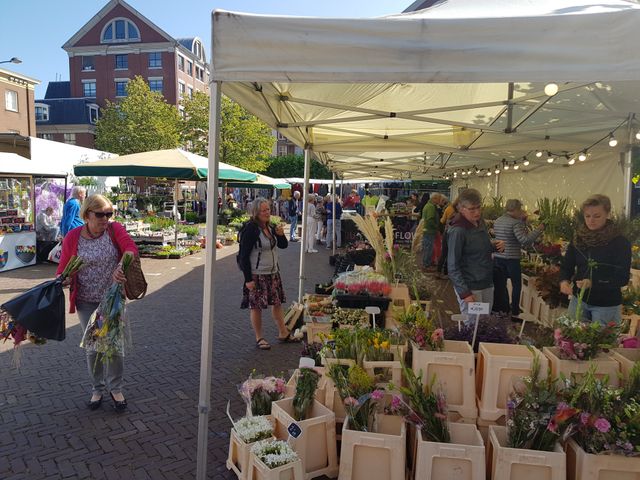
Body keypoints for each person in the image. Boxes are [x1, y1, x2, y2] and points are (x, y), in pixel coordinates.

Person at [57, 194, 138, 412]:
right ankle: (97, 389)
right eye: (100, 214)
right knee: (93, 346)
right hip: (86, 301)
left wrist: (123, 264)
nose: (105, 219)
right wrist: (63, 278)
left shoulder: (114, 230)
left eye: (109, 214)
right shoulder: (73, 237)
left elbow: (130, 248)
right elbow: (63, 268)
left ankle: (116, 388)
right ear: (86, 215)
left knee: (113, 344)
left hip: (112, 300)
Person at [559, 194, 631, 324]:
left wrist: (594, 283)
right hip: (579, 301)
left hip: (606, 305)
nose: (591, 220)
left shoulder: (619, 242)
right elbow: (567, 265)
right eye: (587, 216)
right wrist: (563, 281)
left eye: (597, 216)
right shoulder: (578, 239)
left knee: (603, 343)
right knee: (573, 340)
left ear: (607, 214)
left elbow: (622, 277)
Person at [239, 198, 296, 350]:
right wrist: (248, 279)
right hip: (257, 274)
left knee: (277, 304)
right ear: (256, 212)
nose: (267, 213)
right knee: (256, 307)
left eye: (268, 210)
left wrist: (281, 234)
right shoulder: (251, 229)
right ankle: (259, 338)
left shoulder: (270, 226)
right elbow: (243, 255)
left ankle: (283, 332)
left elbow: (283, 246)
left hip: (273, 272)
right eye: (263, 210)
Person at [447, 188, 505, 324]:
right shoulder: (458, 230)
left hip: (486, 283)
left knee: (484, 323)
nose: (477, 212)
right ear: (461, 209)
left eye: (479, 207)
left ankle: (480, 346)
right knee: (472, 325)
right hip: (470, 286)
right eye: (472, 209)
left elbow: (481, 247)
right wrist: (464, 292)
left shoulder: (480, 223)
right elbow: (452, 265)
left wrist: (495, 246)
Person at [493, 199, 544, 317]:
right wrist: (539, 229)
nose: (521, 211)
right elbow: (524, 240)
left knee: (501, 285)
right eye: (520, 209)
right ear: (516, 209)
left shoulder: (498, 220)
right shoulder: (515, 223)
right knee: (516, 285)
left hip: (498, 257)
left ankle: (503, 308)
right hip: (511, 258)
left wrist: (523, 222)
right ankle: (515, 311)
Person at [437, 197, 457, 279]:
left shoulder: (448, 208)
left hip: (446, 231)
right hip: (454, 234)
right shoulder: (460, 212)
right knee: (450, 253)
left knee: (444, 252)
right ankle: (446, 272)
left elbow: (442, 221)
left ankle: (438, 271)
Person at [421, 193, 442, 270]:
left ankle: (427, 263)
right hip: (429, 231)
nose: (440, 201)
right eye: (439, 199)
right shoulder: (431, 207)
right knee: (428, 248)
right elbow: (430, 220)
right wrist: (436, 227)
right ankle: (426, 265)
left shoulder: (428, 205)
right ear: (435, 199)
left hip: (427, 230)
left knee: (428, 248)